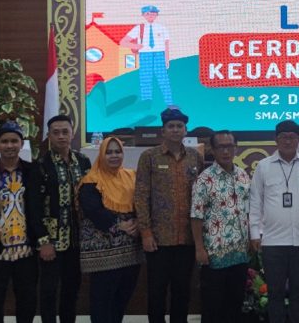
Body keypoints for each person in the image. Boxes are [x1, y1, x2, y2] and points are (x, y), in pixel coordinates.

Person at [0, 121, 47, 323]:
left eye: (14, 141)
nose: (10, 145)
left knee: (27, 303)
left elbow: (43, 207)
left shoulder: (34, 171)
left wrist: (44, 239)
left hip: (26, 251)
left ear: (21, 144)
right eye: (4, 141)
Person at [249, 120, 299, 323]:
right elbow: (255, 202)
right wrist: (255, 233)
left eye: (292, 137)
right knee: (275, 292)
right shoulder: (264, 166)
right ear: (276, 140)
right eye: (283, 137)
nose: (288, 141)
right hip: (273, 242)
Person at [134, 107, 202, 323]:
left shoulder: (195, 157)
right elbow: (141, 196)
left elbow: (201, 196)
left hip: (187, 238)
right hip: (158, 239)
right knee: (157, 291)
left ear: (185, 130)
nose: (175, 130)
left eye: (179, 126)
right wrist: (145, 232)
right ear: (162, 131)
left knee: (182, 291)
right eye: (171, 126)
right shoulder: (149, 157)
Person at [77, 136, 144, 323]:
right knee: (102, 299)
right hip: (104, 252)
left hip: (130, 250)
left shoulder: (131, 176)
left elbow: (142, 202)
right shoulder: (91, 181)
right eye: (109, 152)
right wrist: (119, 224)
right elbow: (92, 209)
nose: (114, 156)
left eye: (117, 151)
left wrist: (138, 222)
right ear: (101, 154)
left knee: (122, 298)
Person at [191, 130, 251, 323]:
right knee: (213, 307)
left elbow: (248, 211)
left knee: (235, 304)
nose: (226, 151)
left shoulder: (243, 175)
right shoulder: (204, 179)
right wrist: (199, 248)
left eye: (229, 146)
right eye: (221, 147)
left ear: (236, 148)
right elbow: (196, 216)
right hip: (214, 253)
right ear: (213, 150)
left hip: (240, 252)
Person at [36, 114, 92, 323]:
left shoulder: (83, 161)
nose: (61, 136)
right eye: (56, 132)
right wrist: (44, 242)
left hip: (76, 240)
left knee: (72, 288)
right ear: (49, 136)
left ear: (72, 133)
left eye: (65, 132)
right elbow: (34, 207)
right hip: (52, 241)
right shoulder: (41, 165)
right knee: (49, 290)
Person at [120, 5, 173, 106]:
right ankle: (146, 103)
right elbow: (123, 42)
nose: (150, 16)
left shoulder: (162, 28)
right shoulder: (139, 28)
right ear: (143, 15)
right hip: (145, 55)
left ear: (157, 15)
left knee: (163, 79)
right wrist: (136, 46)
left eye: (153, 13)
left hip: (159, 54)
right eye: (147, 14)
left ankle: (169, 103)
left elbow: (166, 44)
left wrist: (167, 58)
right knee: (145, 79)